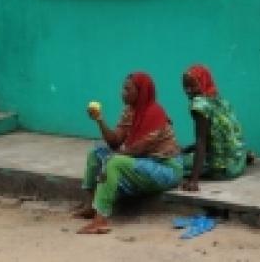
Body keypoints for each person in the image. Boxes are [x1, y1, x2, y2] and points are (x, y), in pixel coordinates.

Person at [74, 72, 183, 234]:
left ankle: (101, 220)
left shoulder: (155, 114)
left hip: (166, 168)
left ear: (141, 92)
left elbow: (138, 149)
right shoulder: (130, 111)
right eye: (123, 89)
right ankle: (91, 206)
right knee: (96, 153)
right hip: (143, 161)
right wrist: (99, 120)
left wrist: (114, 157)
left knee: (114, 162)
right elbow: (115, 141)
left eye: (127, 89)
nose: (122, 93)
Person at [181, 64, 249, 192]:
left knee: (175, 164)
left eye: (192, 86)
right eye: (185, 86)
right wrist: (187, 148)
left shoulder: (199, 105)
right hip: (238, 162)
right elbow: (215, 135)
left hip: (222, 170)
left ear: (202, 82)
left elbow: (202, 141)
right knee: (186, 153)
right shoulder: (219, 100)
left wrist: (193, 180)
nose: (188, 90)